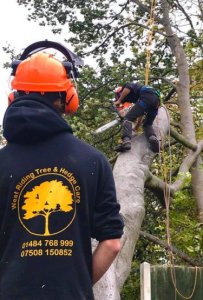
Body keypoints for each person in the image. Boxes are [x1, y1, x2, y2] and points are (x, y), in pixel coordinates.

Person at [0, 41, 124, 300]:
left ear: (14, 95)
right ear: (67, 97)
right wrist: (75, 286)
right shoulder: (93, 160)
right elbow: (112, 243)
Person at [114, 82, 160, 153]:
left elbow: (128, 88)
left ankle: (126, 141)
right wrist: (135, 128)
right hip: (156, 102)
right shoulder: (137, 98)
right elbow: (140, 114)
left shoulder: (126, 87)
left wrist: (119, 100)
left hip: (147, 96)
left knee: (127, 119)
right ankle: (152, 138)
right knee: (147, 124)